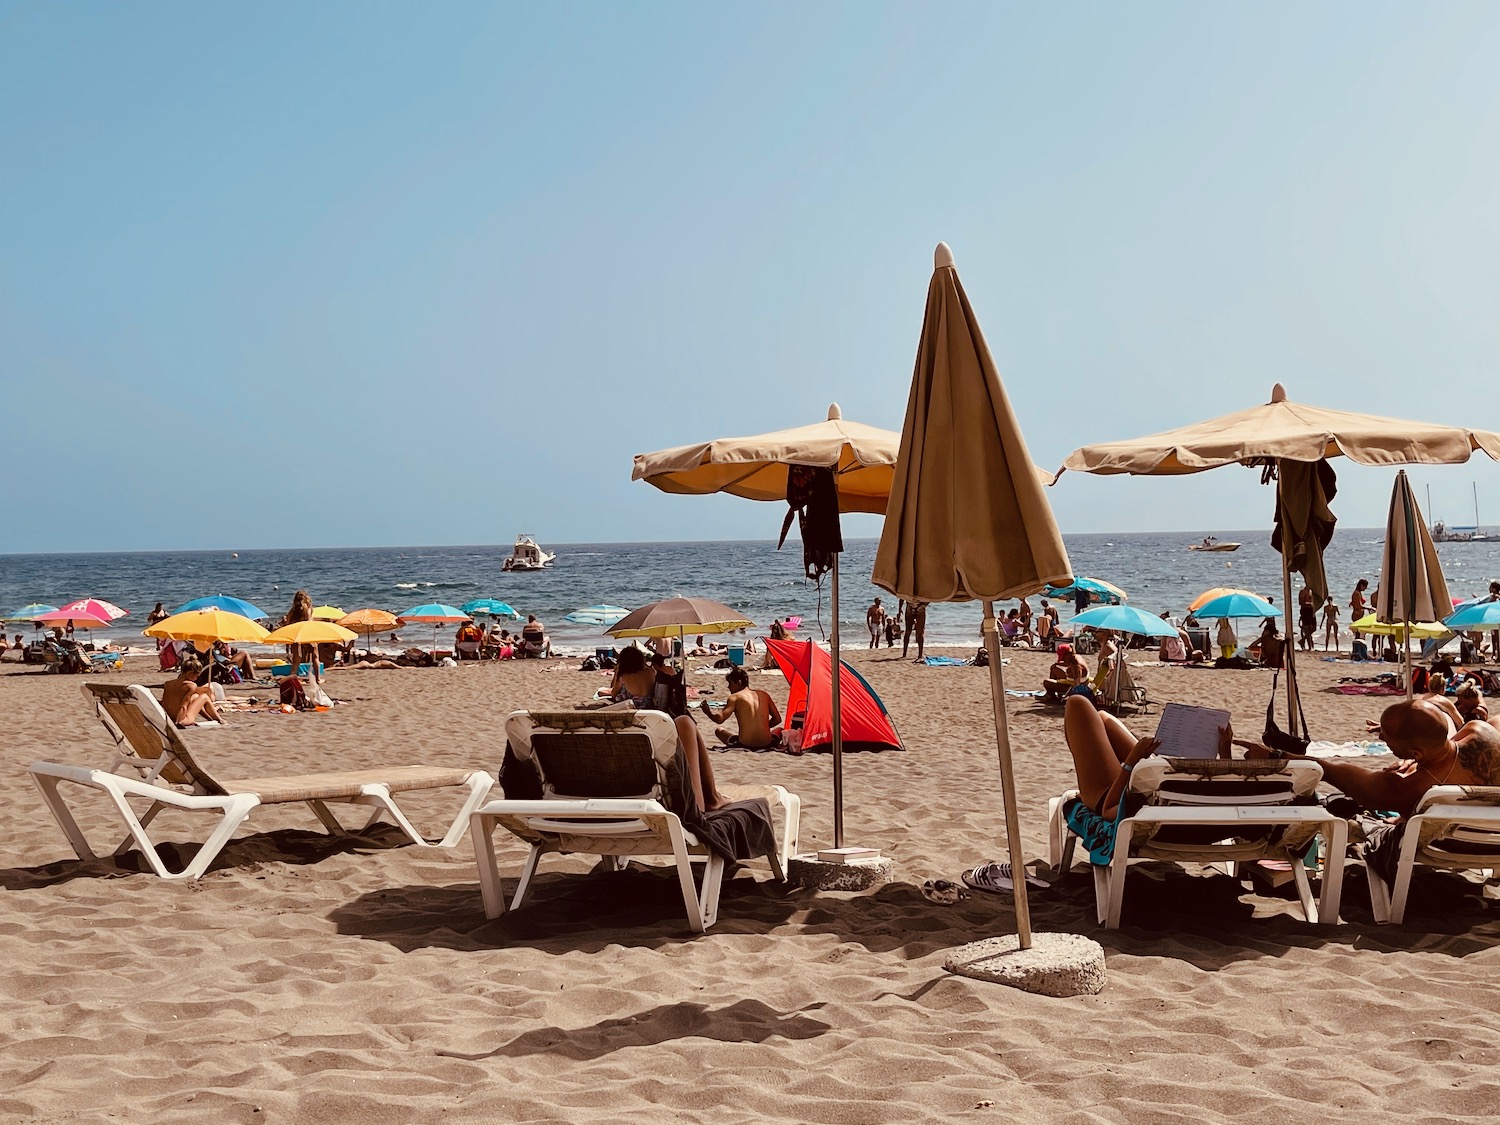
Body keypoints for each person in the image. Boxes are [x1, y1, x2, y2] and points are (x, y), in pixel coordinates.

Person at [700, 666, 784, 749]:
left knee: (719, 731)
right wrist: (763, 727)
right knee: (780, 730)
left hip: (746, 744)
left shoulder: (735, 697)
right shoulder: (763, 694)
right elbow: (777, 719)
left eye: (730, 683)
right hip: (767, 743)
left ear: (739, 683)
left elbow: (719, 719)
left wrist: (708, 712)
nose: (728, 687)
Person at [161, 662, 224, 727]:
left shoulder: (168, 684)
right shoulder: (191, 686)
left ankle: (210, 719)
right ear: (190, 673)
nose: (196, 679)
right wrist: (178, 722)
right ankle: (219, 719)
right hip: (181, 719)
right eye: (196, 676)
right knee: (204, 697)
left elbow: (164, 703)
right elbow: (183, 706)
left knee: (195, 697)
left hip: (168, 718)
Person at [1298, 587, 1317, 652]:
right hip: (1306, 610)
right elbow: (1301, 603)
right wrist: (1310, 603)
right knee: (1307, 628)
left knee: (1314, 628)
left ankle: (1302, 640)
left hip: (1312, 611)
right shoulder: (1302, 592)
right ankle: (1310, 646)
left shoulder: (1312, 591)